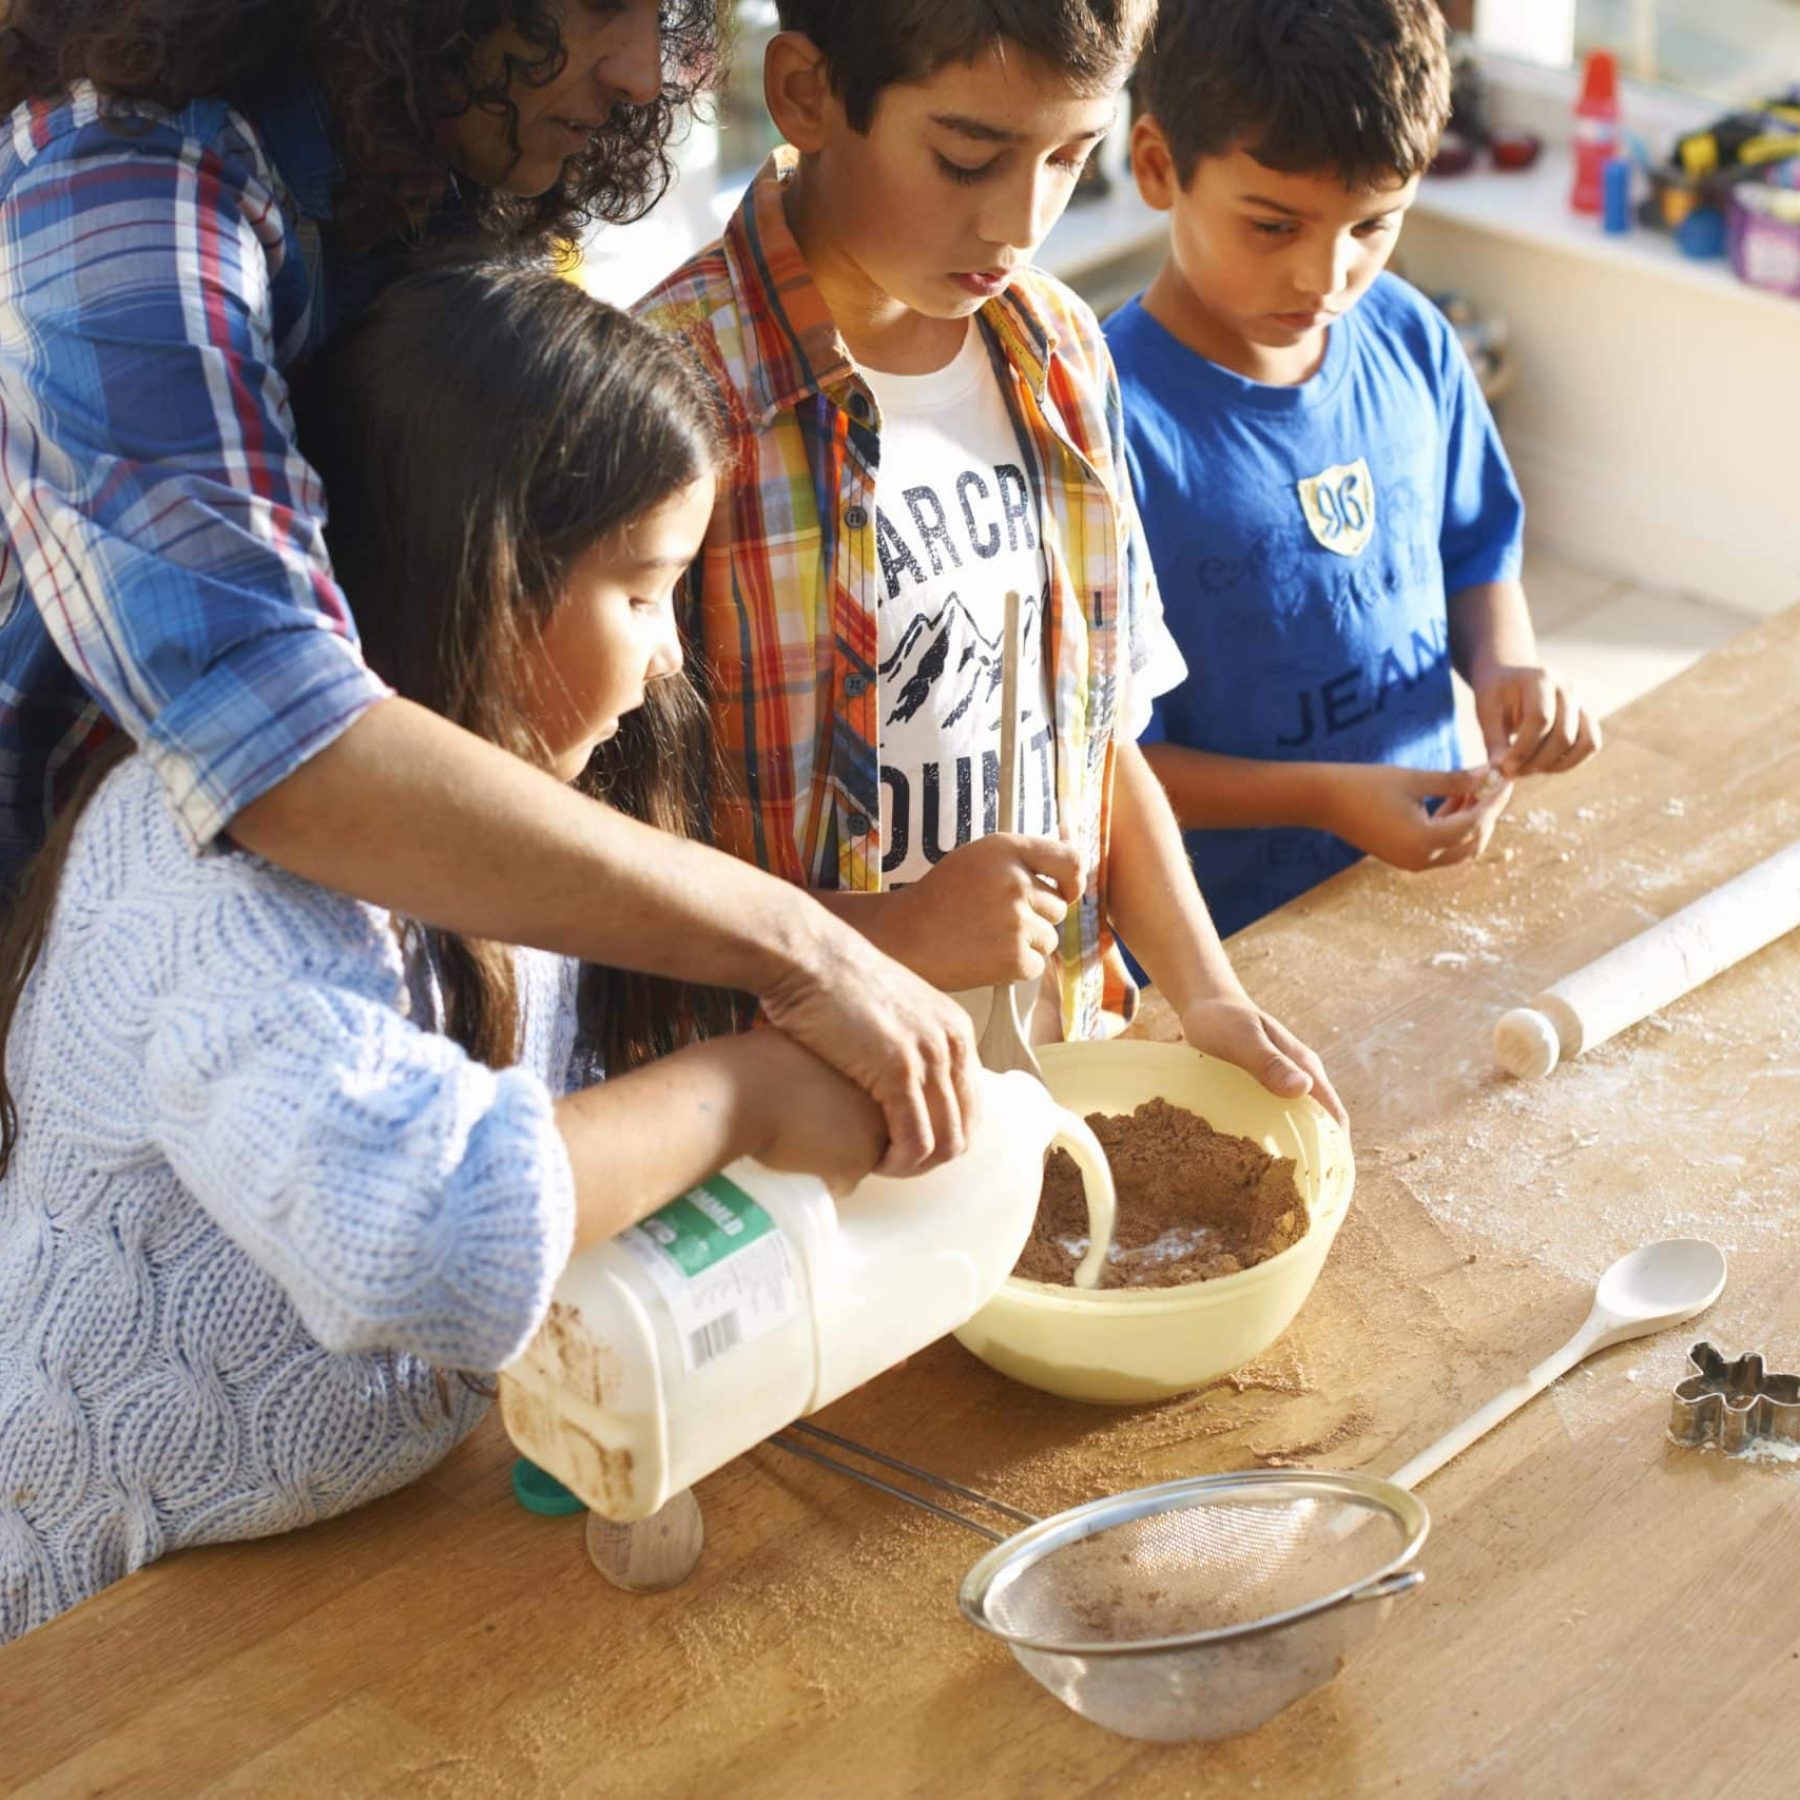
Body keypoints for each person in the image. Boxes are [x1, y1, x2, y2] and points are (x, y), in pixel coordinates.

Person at [0, 262, 891, 1642]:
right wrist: (747, 1093)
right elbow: (418, 1232)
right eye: (644, 592)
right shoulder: (195, 881)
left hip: (348, 1583)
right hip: (82, 1640)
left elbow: (555, 1136)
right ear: (478, 570)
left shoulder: (533, 826)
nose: (666, 665)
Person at [0, 0, 976, 1176]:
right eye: (601, 6)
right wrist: (794, 948)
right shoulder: (115, 184)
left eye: (670, 15)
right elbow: (276, 734)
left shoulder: (446, 168)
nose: (636, 72)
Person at [637, 0, 1345, 1121]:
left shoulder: (1062, 353)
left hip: (1057, 1079)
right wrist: (894, 938)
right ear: (806, 96)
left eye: (1071, 156)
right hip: (812, 1116)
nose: (1019, 224)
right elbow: (624, 897)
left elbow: (1102, 750)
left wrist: (1207, 994)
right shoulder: (669, 397)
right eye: (968, 157)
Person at [1106, 0, 1602, 938]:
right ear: (1158, 166)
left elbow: (1474, 553)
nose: (1325, 278)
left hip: (1425, 887)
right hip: (1230, 942)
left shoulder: (1412, 335)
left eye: (1372, 226)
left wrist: (1509, 667)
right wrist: (1329, 798)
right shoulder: (1102, 426)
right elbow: (1112, 767)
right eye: (1273, 226)